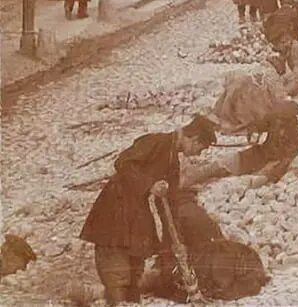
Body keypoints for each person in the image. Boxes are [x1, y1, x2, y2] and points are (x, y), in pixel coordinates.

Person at [80, 115, 217, 306]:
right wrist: (150, 185)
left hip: (136, 212)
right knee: (116, 270)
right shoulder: (155, 141)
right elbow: (122, 163)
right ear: (193, 139)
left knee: (135, 269)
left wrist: (175, 242)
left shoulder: (172, 161)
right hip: (114, 209)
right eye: (200, 149)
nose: (199, 154)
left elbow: (170, 202)